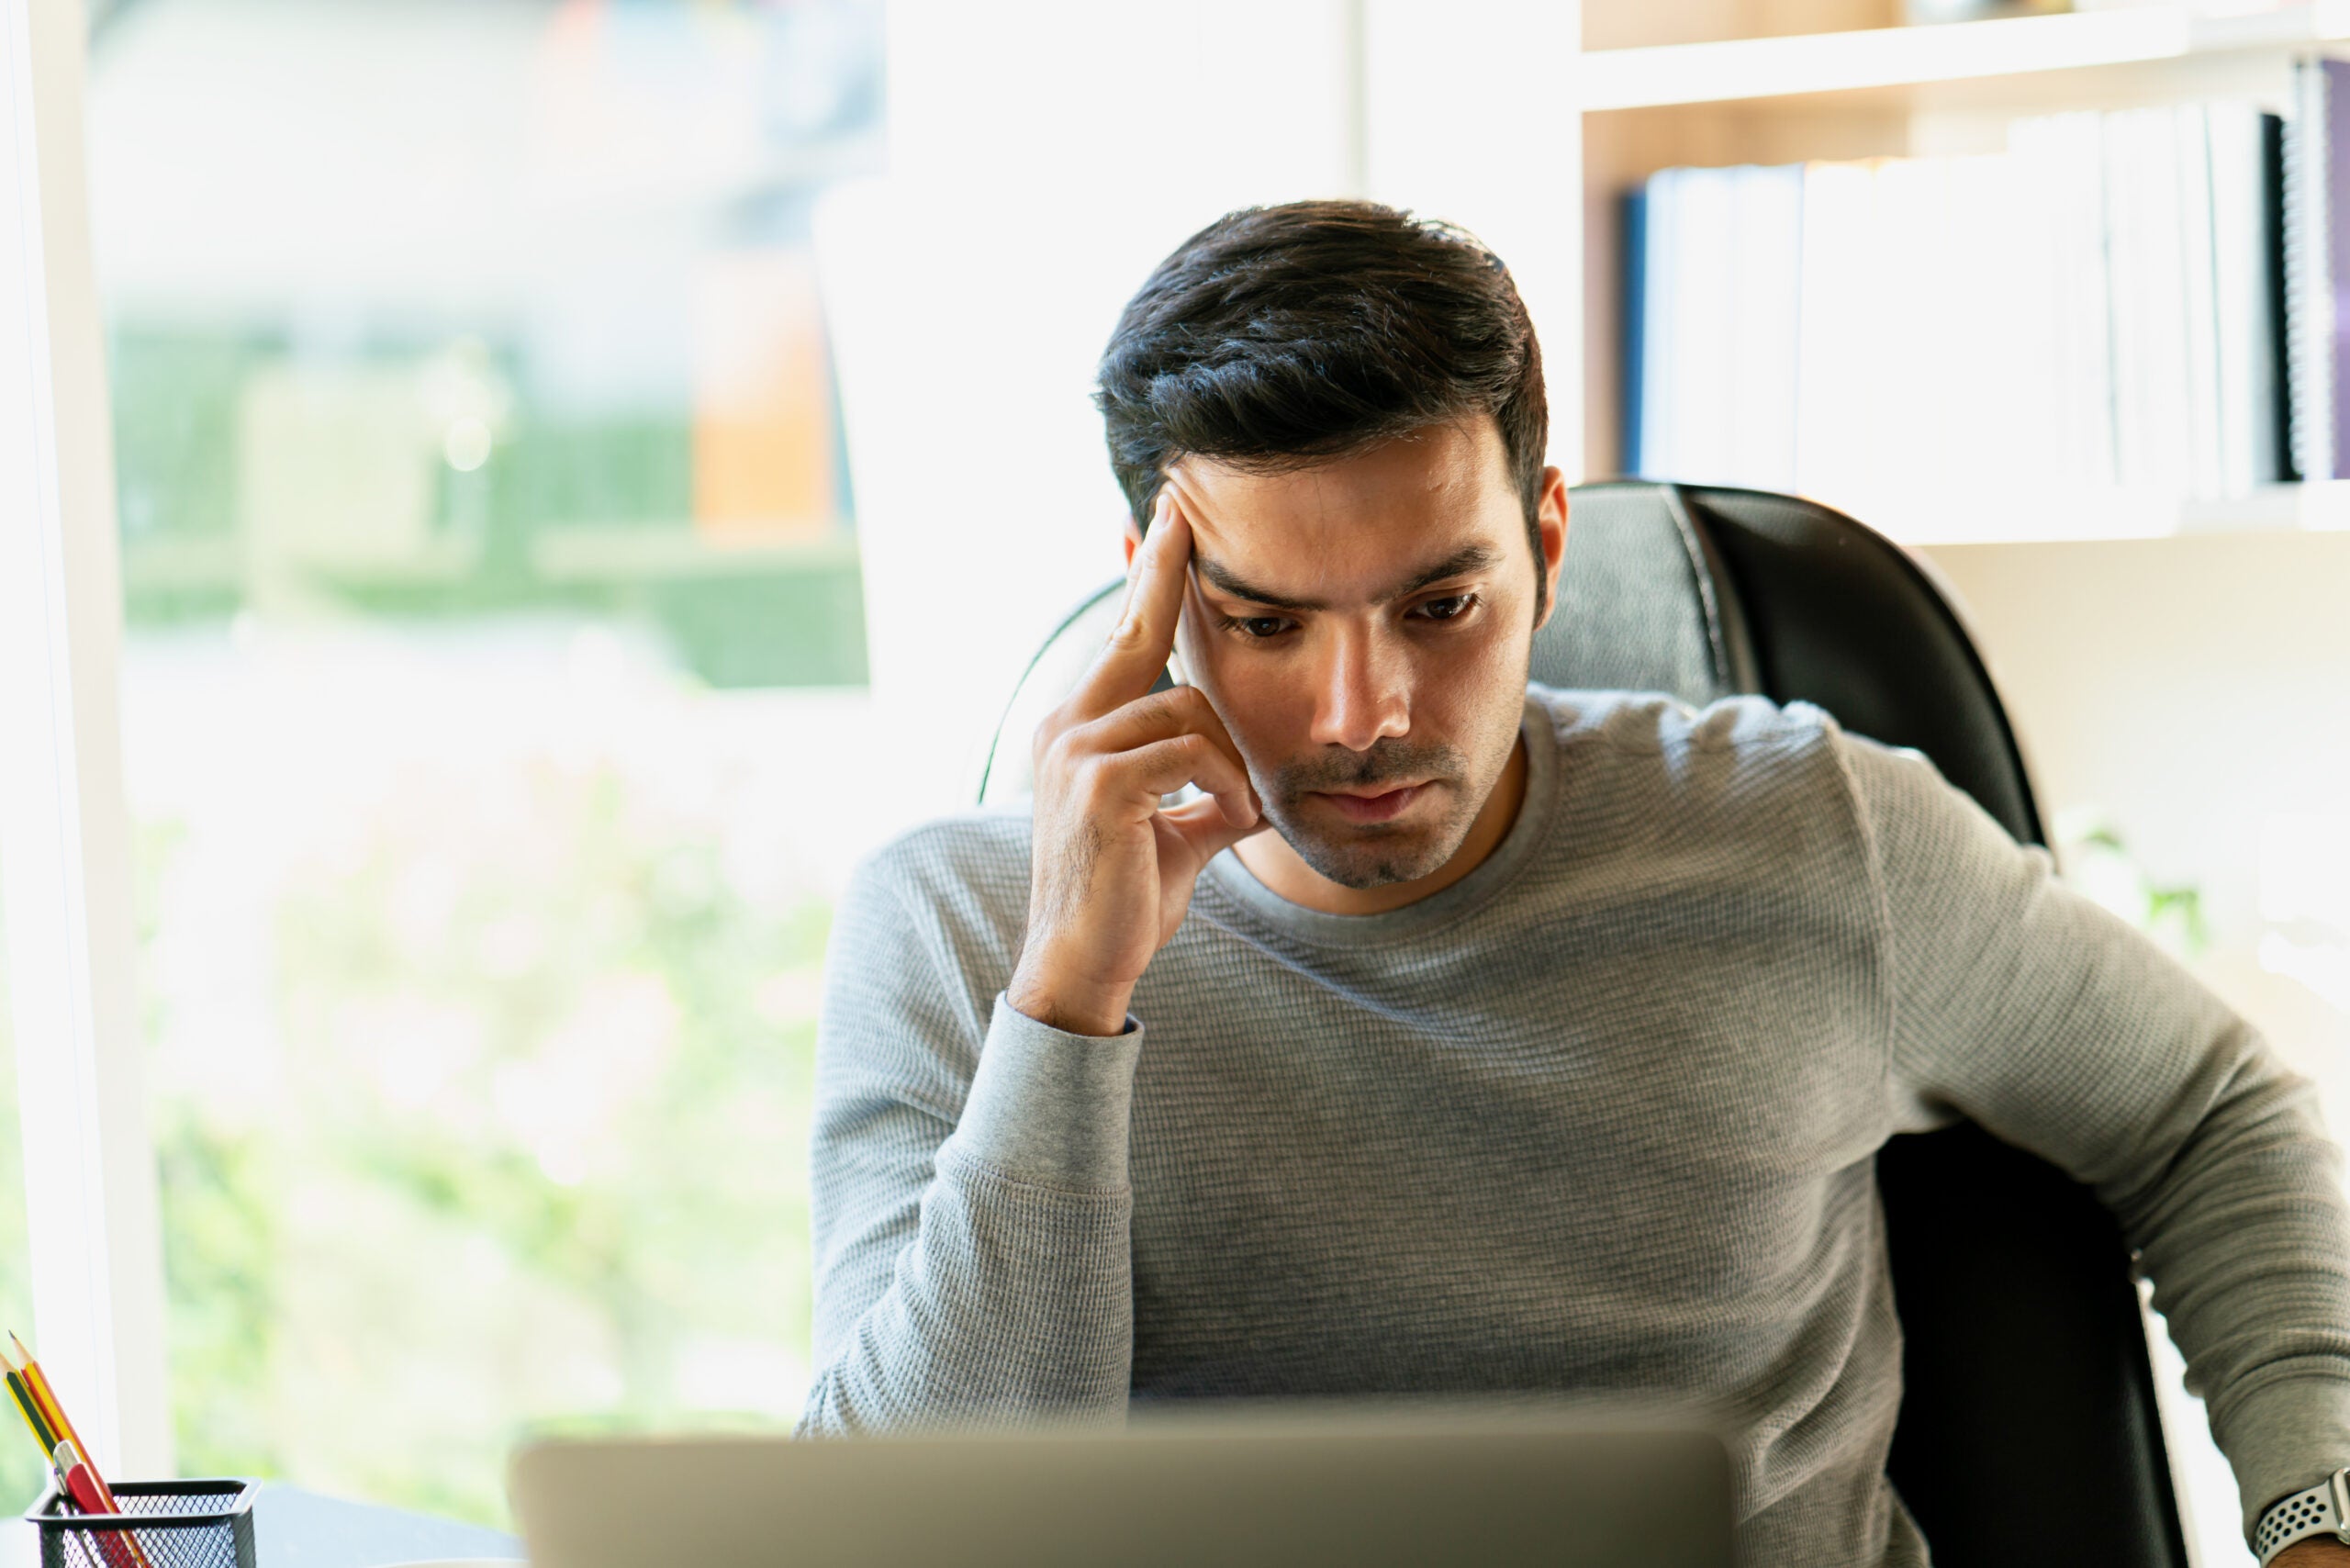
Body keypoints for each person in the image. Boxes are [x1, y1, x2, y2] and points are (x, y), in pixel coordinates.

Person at [793, 199, 2350, 1566]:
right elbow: (903, 1542)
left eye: (1441, 602)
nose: (1364, 712)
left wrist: (2312, 1520)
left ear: (1547, 544)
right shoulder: (958, 935)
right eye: (1267, 624)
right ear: (1156, 587)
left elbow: (2211, 1111)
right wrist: (1069, 1002)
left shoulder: (1810, 834)